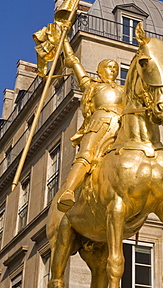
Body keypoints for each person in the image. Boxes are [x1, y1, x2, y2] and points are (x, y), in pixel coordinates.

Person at [57, 39, 124, 212]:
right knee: (86, 154)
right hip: (99, 122)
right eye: (109, 67)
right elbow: (73, 61)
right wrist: (64, 41)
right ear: (100, 70)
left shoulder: (124, 90)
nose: (113, 71)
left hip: (122, 124)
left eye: (116, 68)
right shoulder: (92, 86)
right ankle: (69, 191)